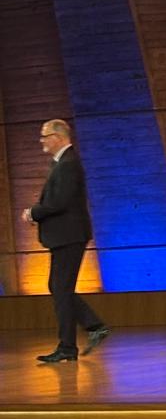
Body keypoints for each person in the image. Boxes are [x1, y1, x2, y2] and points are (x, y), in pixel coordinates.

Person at [22, 119, 108, 365]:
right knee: (59, 288)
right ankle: (89, 330)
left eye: (45, 136)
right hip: (65, 236)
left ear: (58, 137)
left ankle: (73, 342)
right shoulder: (62, 163)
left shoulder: (68, 164)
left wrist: (32, 213)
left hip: (69, 236)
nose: (42, 141)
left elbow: (59, 202)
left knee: (60, 289)